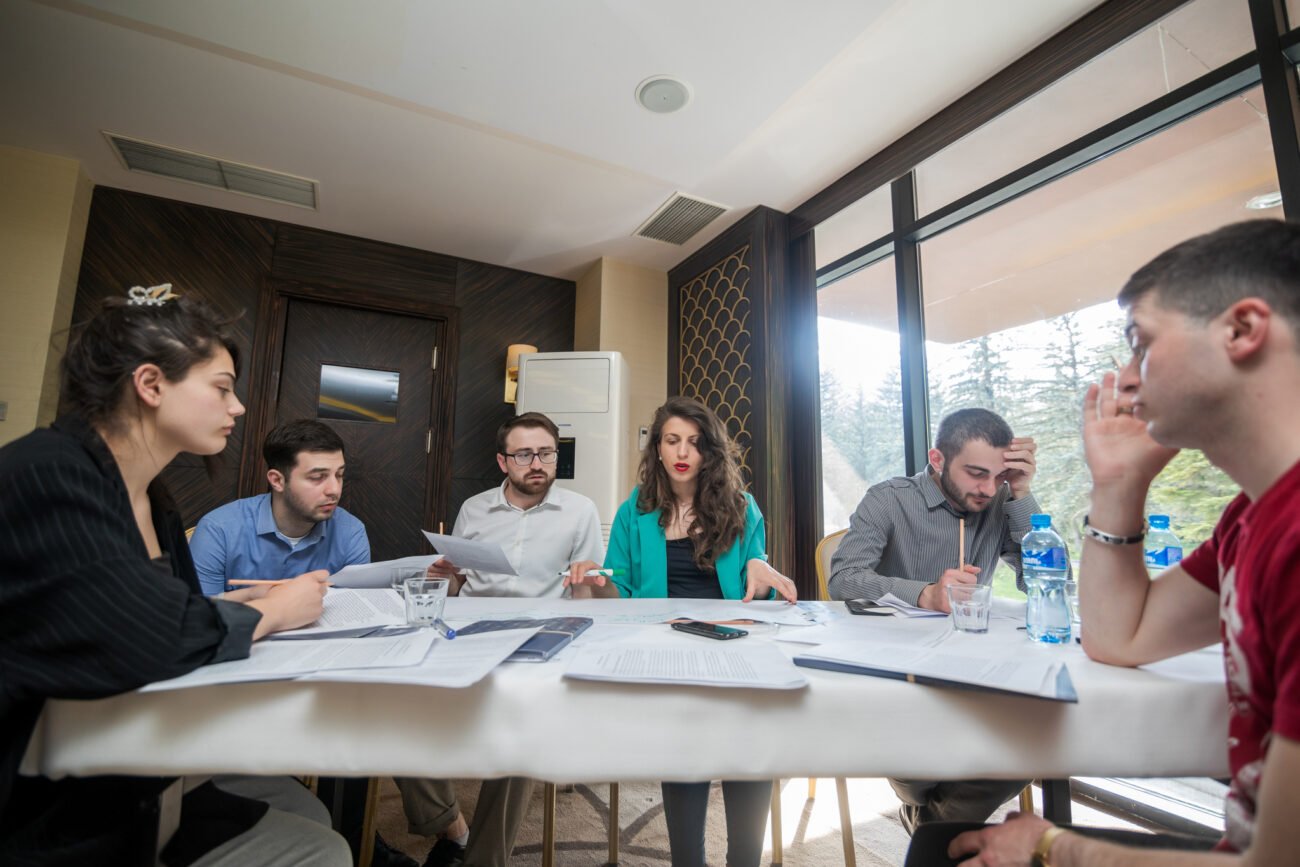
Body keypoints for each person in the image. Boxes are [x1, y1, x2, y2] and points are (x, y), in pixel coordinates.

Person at [930, 219, 1300, 866]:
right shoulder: (1249, 520)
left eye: (1141, 344)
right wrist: (1118, 484)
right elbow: (1120, 636)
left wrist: (1052, 846)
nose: (1125, 379)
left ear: (1242, 329)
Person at [0, 285, 346, 865]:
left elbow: (158, 609)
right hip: (50, 793)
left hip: (127, 747)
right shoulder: (49, 474)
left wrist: (238, 607)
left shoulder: (155, 499)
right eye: (222, 388)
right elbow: (143, 637)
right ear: (151, 384)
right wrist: (274, 611)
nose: (238, 408)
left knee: (311, 815)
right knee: (321, 850)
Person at [567, 395, 796, 867]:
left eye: (694, 442)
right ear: (658, 448)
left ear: (710, 450)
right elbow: (621, 590)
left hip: (731, 641)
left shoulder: (742, 507)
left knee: (750, 737)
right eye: (672, 440)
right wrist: (598, 580)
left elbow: (758, 593)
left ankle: (744, 861)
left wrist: (760, 567)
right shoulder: (635, 510)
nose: (683, 452)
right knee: (685, 738)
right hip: (662, 644)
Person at [394, 412, 604, 867]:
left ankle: (484, 861)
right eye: (524, 454)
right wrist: (444, 576)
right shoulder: (475, 509)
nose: (537, 464)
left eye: (546, 453)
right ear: (502, 461)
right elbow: (455, 588)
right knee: (399, 709)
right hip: (469, 633)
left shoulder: (581, 510)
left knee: (520, 732)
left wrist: (588, 582)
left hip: (541, 639)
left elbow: (587, 598)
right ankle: (450, 825)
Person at [827, 408, 1041, 833]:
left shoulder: (1003, 501)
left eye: (998, 476)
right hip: (896, 677)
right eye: (976, 474)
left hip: (973, 670)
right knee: (923, 749)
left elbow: (1047, 582)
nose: (987, 489)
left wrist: (1021, 494)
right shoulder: (888, 499)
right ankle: (935, 819)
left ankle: (929, 825)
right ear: (937, 459)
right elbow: (843, 578)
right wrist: (925, 593)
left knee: (1038, 737)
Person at [190, 418, 369, 596]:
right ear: (277, 480)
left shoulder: (351, 532)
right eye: (317, 477)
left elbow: (357, 606)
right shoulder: (219, 529)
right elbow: (199, 610)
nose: (335, 490)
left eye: (339, 475)